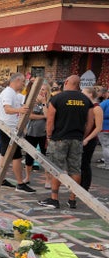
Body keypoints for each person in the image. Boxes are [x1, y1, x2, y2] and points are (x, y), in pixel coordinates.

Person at [38, 75, 94, 209]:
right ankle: (72, 199)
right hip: (77, 139)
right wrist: (82, 135)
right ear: (78, 84)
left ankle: (54, 199)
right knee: (75, 169)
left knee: (56, 168)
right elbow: (90, 122)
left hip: (59, 138)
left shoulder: (57, 98)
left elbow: (50, 120)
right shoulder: (86, 100)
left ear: (67, 82)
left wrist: (49, 137)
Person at [0, 73, 34, 192]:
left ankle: (1, 179)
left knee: (4, 153)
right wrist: (20, 110)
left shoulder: (13, 93)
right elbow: (7, 109)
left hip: (9, 127)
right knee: (16, 155)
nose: (24, 84)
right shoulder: (8, 92)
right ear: (17, 80)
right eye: (23, 82)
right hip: (8, 127)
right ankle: (20, 183)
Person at [23, 83, 50, 188]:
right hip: (31, 131)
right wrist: (43, 116)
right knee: (29, 155)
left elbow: (48, 116)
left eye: (43, 90)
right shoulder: (31, 101)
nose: (41, 92)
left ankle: (47, 180)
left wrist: (44, 103)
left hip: (44, 133)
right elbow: (28, 115)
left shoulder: (49, 102)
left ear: (47, 91)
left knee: (46, 156)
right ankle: (27, 177)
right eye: (40, 90)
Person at [79, 86, 102, 192]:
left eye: (84, 93)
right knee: (80, 163)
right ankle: (80, 183)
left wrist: (87, 139)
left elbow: (98, 127)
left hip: (91, 139)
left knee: (85, 162)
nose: (81, 94)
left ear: (90, 95)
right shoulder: (86, 106)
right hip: (82, 136)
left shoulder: (97, 108)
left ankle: (85, 186)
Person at [99, 88, 109, 170]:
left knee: (106, 146)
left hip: (104, 127)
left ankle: (107, 164)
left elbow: (98, 113)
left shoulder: (104, 103)